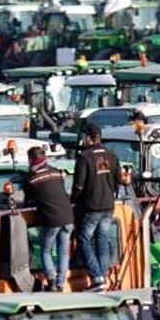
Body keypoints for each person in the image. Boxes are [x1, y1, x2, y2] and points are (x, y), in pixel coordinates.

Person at [72, 122, 120, 289]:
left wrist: (75, 199)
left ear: (89, 138)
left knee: (84, 240)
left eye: (84, 136)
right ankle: (104, 278)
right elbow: (117, 181)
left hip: (91, 207)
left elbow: (78, 185)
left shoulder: (84, 157)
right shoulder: (111, 154)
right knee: (102, 241)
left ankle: (97, 276)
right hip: (108, 206)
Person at [24, 146, 74, 292]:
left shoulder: (30, 178)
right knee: (63, 253)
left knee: (45, 250)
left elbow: (29, 200)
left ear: (32, 159)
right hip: (68, 216)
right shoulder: (56, 172)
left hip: (51, 219)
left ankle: (51, 281)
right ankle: (60, 284)